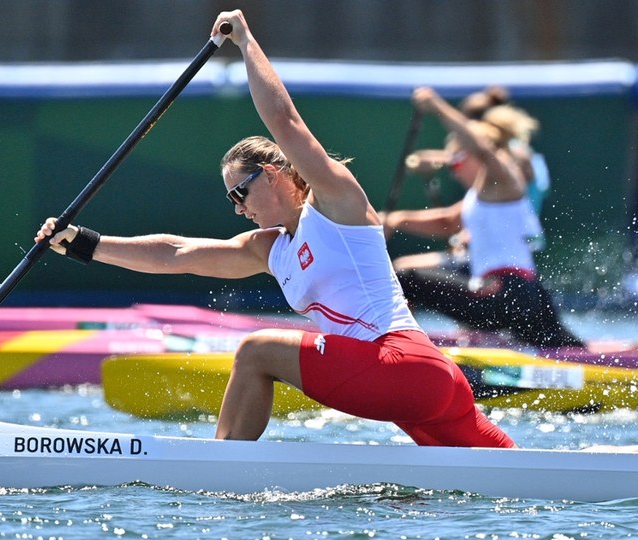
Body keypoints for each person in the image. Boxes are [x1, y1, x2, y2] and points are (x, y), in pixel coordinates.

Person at [35, 10, 515, 449]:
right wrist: (82, 243)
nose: (237, 208)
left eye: (238, 193)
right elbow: (176, 254)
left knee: (257, 348)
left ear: (272, 174)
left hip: (404, 364)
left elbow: (286, 124)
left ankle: (221, 467)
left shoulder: (336, 204)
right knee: (511, 476)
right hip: (424, 386)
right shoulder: (270, 249)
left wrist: (245, 42)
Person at [383, 87, 584, 348]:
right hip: (525, 293)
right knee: (568, 352)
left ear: (475, 157)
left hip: (502, 293)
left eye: (456, 163)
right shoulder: (479, 197)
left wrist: (437, 105)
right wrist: (393, 220)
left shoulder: (505, 178)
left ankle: (402, 346)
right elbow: (447, 222)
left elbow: (481, 146)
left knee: (404, 276)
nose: (453, 172)